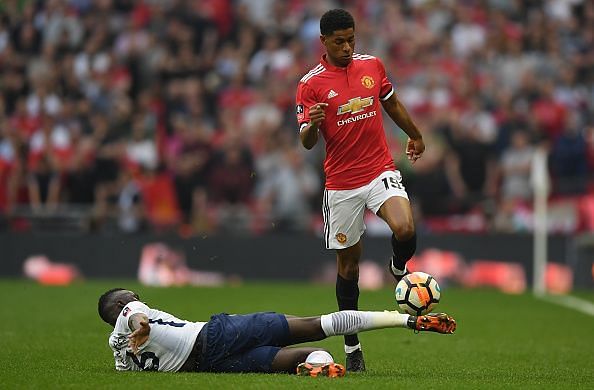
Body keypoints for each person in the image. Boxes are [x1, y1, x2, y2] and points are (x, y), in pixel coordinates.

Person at [295, 9, 425, 371]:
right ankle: (352, 345)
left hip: (379, 168)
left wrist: (414, 134)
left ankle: (398, 269)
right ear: (323, 42)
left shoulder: (372, 66)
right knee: (349, 266)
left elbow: (392, 104)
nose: (348, 46)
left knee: (406, 228)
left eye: (351, 39)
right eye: (339, 41)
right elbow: (306, 141)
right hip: (342, 185)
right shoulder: (311, 84)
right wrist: (311, 126)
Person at [98, 288, 456, 376]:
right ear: (118, 306)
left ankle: (314, 368)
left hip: (209, 366)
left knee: (296, 359)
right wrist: (142, 323)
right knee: (317, 326)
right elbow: (136, 316)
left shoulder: (119, 359)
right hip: (218, 334)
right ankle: (406, 320)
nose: (137, 298)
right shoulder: (129, 311)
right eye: (131, 296)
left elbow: (133, 349)